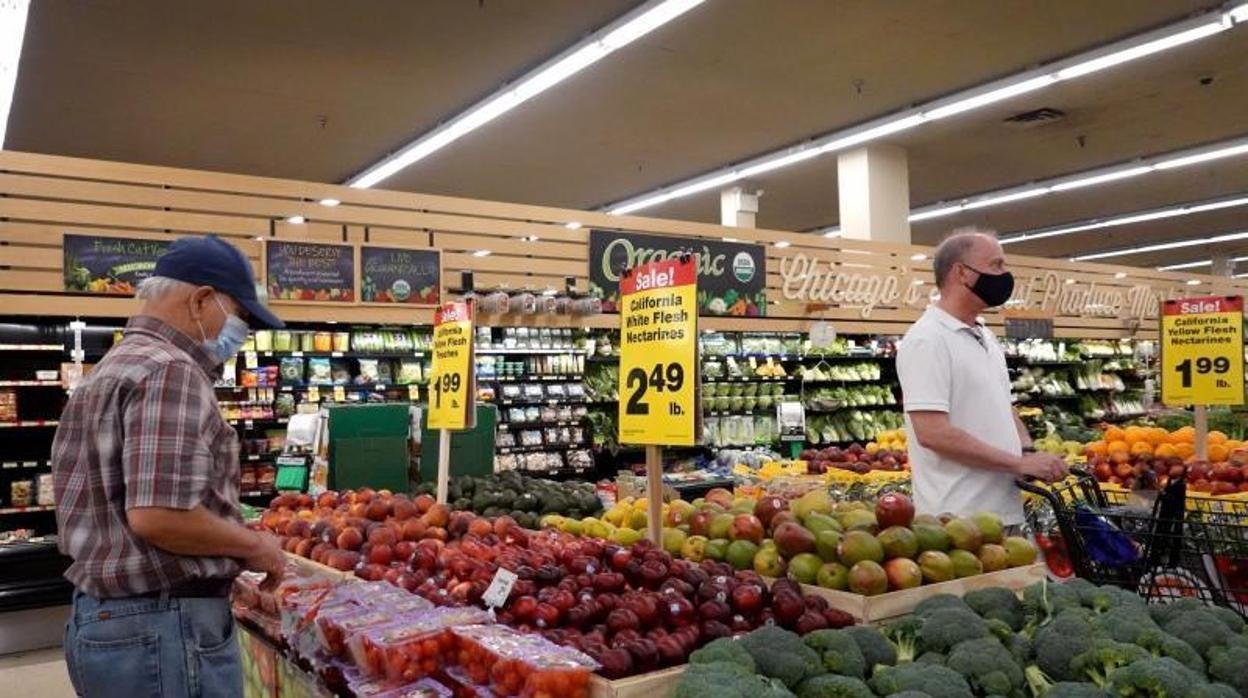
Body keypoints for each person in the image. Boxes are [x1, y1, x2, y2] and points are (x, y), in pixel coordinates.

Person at [52, 235, 287, 698]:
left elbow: (123, 519)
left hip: (109, 621)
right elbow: (159, 515)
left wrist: (216, 577)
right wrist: (254, 546)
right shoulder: (171, 371)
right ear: (202, 300)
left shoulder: (112, 367)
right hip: (159, 629)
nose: (241, 336)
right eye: (241, 319)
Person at [896, 230, 1067, 529]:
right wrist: (1017, 463)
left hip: (1004, 509)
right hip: (958, 520)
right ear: (961, 273)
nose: (1005, 275)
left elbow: (1003, 404)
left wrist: (1027, 451)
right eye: (996, 265)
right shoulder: (928, 340)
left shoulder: (985, 335)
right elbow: (932, 432)